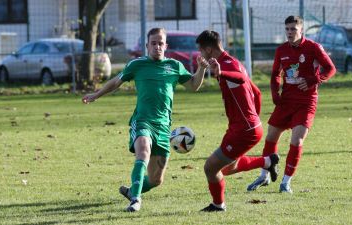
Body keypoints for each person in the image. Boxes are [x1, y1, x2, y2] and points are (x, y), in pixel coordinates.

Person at [82, 28, 209, 212]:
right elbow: (116, 82)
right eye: (153, 43)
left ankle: (134, 189)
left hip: (164, 126)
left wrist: (202, 68)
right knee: (143, 151)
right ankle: (135, 199)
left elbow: (193, 86)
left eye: (160, 43)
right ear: (147, 45)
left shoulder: (174, 66)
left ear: (166, 46)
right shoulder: (137, 65)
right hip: (143, 121)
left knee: (156, 179)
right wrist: (97, 94)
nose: (157, 46)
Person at [247, 16, 336, 194]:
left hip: (306, 101)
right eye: (287, 29)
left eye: (293, 29)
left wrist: (313, 80)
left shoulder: (313, 47)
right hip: (286, 100)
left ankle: (286, 182)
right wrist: (275, 93)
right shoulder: (281, 50)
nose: (289, 32)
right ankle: (264, 175)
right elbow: (275, 74)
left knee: (297, 140)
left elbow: (330, 69)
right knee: (271, 137)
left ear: (301, 30)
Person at [196, 30, 280, 212]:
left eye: (201, 50)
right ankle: (267, 162)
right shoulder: (234, 62)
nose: (200, 53)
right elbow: (256, 93)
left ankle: (218, 205)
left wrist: (222, 73)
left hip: (243, 130)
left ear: (209, 49)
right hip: (246, 127)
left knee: (210, 168)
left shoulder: (227, 67)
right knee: (226, 169)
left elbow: (241, 79)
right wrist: (253, 120)